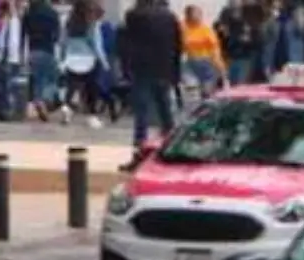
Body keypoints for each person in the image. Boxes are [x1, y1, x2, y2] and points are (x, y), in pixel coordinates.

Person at [121, 0, 181, 154]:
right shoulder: (169, 17)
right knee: (165, 108)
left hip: (141, 68)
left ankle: (139, 145)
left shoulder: (133, 16)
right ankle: (171, 142)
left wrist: (126, 68)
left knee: (142, 110)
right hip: (163, 67)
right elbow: (177, 45)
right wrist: (175, 71)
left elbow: (126, 44)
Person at [61, 0, 110, 125]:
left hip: (71, 58)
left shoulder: (68, 23)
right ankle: (91, 115)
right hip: (88, 58)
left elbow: (63, 42)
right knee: (91, 88)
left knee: (71, 86)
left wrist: (62, 58)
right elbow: (96, 44)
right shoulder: (92, 24)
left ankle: (67, 106)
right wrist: (104, 61)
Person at [24, 0, 64, 120]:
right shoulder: (52, 13)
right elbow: (57, 35)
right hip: (47, 50)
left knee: (37, 81)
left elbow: (25, 32)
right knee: (50, 79)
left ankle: (38, 102)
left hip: (32, 50)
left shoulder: (29, 13)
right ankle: (44, 102)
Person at [216, 0, 261, 85]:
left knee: (241, 75)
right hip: (235, 49)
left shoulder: (252, 10)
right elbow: (223, 29)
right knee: (236, 75)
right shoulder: (228, 11)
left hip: (246, 50)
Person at [183, 4, 223, 96]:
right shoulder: (205, 30)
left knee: (201, 84)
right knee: (208, 82)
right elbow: (215, 50)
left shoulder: (184, 29)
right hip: (204, 60)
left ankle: (204, 97)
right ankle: (206, 98)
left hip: (191, 60)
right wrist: (220, 67)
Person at [261, 0, 304, 74]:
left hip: (293, 59)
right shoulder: (273, 22)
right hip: (274, 58)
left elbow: (303, 30)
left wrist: (297, 14)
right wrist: (270, 16)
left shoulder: (295, 22)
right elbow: (264, 36)